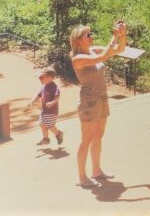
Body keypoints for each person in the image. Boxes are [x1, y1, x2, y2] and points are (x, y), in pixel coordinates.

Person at [70, 20, 127, 189]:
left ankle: (96, 171)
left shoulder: (92, 50)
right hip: (89, 102)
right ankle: (82, 177)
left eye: (91, 33)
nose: (91, 37)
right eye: (88, 35)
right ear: (78, 40)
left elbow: (119, 50)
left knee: (98, 136)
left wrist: (122, 35)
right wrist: (114, 36)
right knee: (86, 140)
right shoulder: (77, 58)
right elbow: (103, 57)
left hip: (102, 99)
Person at [30, 67, 63, 146]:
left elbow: (57, 97)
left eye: (42, 77)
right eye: (39, 78)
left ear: (50, 78)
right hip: (44, 111)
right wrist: (32, 101)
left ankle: (58, 133)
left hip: (52, 112)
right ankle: (46, 139)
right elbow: (38, 95)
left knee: (49, 126)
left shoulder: (54, 87)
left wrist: (52, 102)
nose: (40, 79)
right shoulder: (44, 87)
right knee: (42, 124)